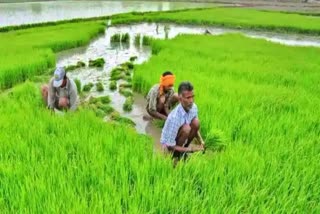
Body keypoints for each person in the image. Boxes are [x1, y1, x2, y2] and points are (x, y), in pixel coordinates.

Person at [160, 81, 205, 162]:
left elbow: (195, 127)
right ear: (180, 99)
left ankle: (184, 150)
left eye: (192, 96)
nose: (191, 101)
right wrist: (191, 149)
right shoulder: (174, 117)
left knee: (196, 122)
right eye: (188, 98)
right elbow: (170, 146)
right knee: (186, 128)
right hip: (168, 144)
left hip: (180, 137)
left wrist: (201, 140)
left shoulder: (193, 107)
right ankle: (176, 154)